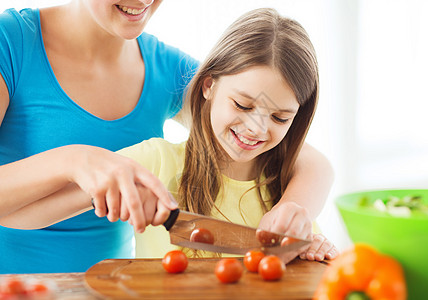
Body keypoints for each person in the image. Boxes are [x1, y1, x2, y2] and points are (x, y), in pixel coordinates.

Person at [0, 1, 334, 274]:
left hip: (106, 286)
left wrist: (295, 209)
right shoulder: (12, 41)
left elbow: (287, 149)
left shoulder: (168, 70)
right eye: (243, 104)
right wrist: (75, 160)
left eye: (279, 117)